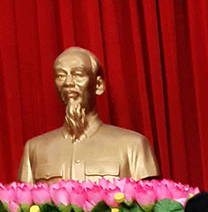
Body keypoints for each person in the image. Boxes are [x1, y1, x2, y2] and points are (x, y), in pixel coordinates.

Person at [18, 46, 159, 183]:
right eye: (61, 76)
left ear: (98, 85)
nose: (68, 82)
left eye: (78, 75)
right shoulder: (35, 149)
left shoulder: (133, 146)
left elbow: (149, 197)